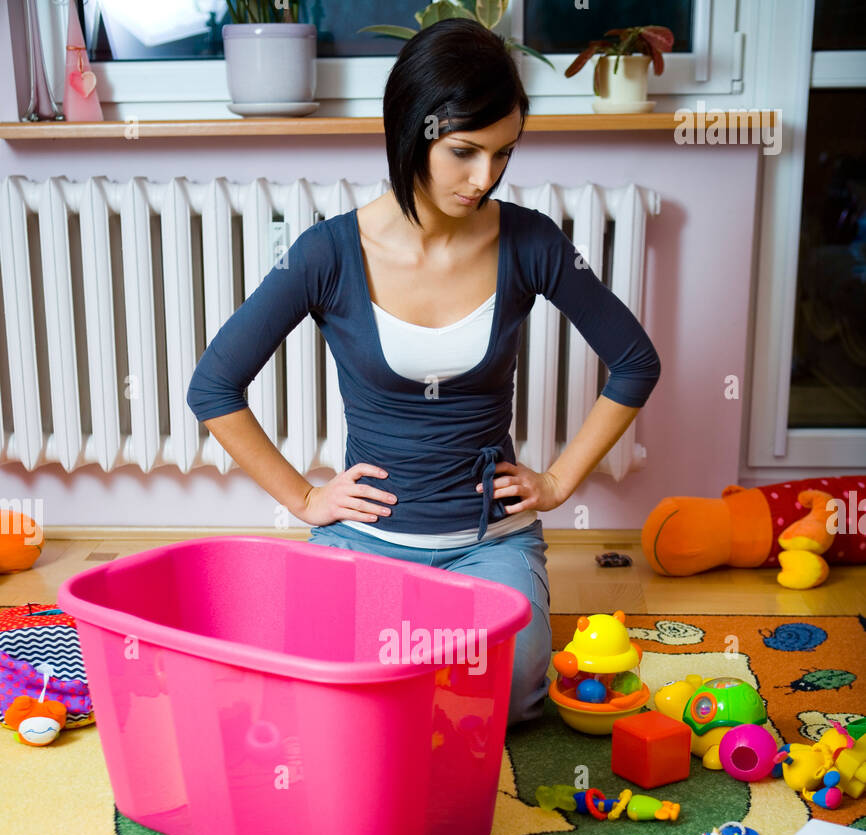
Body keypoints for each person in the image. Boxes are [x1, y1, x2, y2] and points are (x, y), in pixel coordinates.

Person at [187, 18, 661, 725]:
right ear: (413, 129)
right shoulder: (327, 253)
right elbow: (213, 388)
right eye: (465, 152)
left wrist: (558, 481)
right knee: (344, 692)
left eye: (503, 154)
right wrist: (305, 499)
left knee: (512, 698)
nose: (484, 178)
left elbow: (634, 361)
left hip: (488, 543)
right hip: (367, 545)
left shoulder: (529, 240)